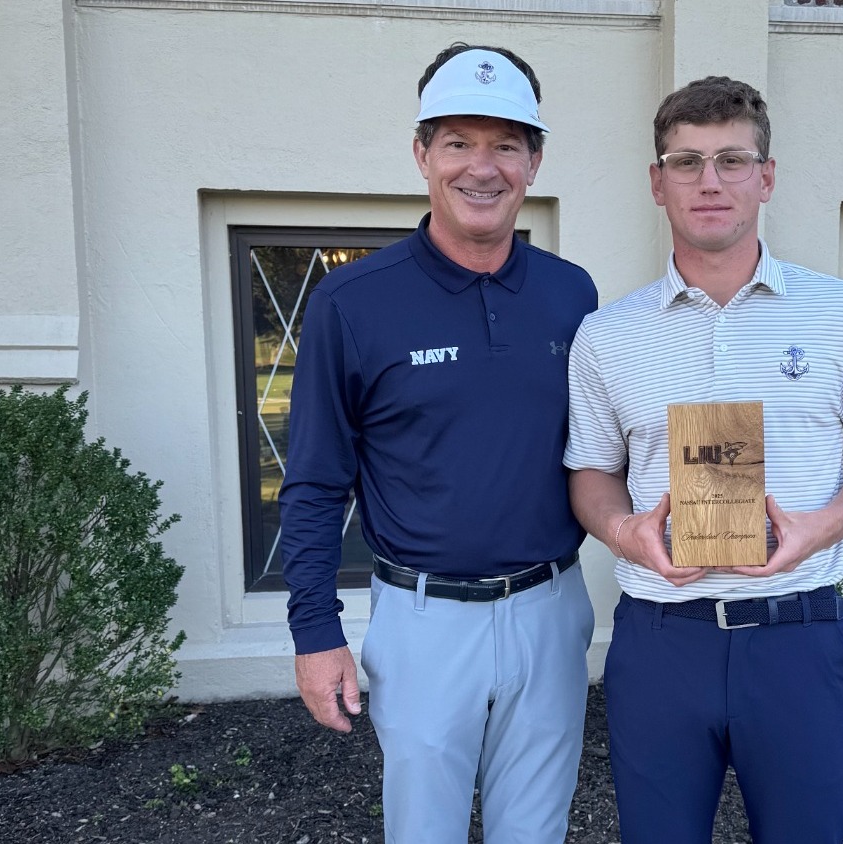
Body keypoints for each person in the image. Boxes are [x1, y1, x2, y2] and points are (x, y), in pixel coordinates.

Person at [563, 76, 843, 844]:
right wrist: (625, 533)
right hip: (661, 640)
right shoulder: (608, 334)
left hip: (795, 633)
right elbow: (590, 472)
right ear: (657, 183)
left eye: (732, 159)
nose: (710, 181)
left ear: (767, 176)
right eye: (686, 162)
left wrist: (820, 528)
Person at [279, 43, 598, 844]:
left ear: (534, 161)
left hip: (552, 611)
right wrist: (315, 634)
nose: (480, 168)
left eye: (505, 144)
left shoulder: (573, 294)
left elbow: (603, 449)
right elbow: (316, 483)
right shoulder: (353, 302)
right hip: (424, 624)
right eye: (457, 141)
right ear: (421, 153)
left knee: (537, 833)